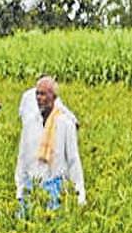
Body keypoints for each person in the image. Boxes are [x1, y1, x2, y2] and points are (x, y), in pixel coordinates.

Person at [16, 76, 85, 214]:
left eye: (43, 94)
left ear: (53, 97)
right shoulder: (30, 124)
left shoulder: (65, 124)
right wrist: (19, 189)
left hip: (55, 187)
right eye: (37, 93)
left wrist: (79, 194)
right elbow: (22, 158)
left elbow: (73, 161)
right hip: (31, 187)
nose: (39, 98)